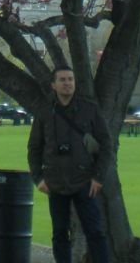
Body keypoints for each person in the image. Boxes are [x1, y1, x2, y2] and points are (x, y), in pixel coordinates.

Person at [27, 65, 113, 263]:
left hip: (84, 182)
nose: (67, 83)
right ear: (53, 85)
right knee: (59, 233)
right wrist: (38, 179)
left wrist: (99, 177)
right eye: (63, 80)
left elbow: (106, 145)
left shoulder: (89, 110)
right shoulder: (44, 112)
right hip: (55, 182)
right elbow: (34, 148)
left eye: (70, 80)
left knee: (95, 232)